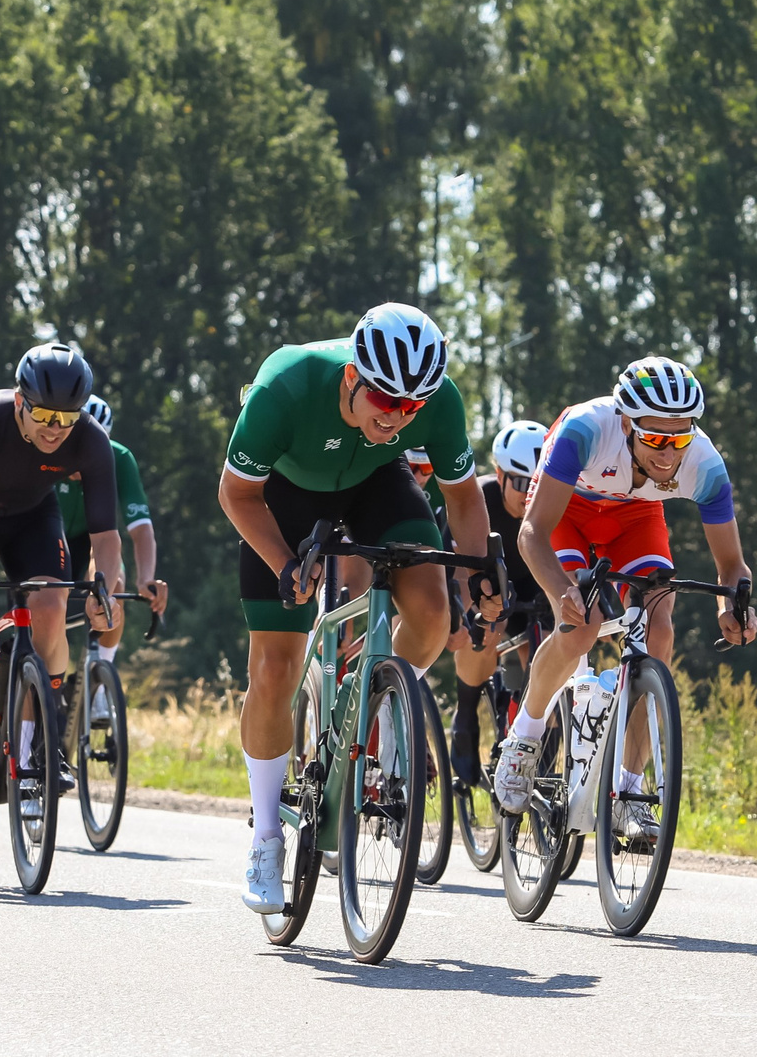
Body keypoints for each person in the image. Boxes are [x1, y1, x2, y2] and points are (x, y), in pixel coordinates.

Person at [220, 304, 493, 911]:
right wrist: (284, 564)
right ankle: (267, 833)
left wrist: (477, 577)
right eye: (384, 401)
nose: (396, 416)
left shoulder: (435, 402)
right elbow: (236, 493)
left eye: (411, 408)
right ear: (351, 379)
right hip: (283, 496)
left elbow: (465, 500)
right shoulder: (285, 384)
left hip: (375, 481)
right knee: (274, 669)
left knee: (430, 609)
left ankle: (376, 710)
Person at [491, 359, 757, 825]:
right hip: (567, 512)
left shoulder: (705, 462)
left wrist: (732, 605)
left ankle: (629, 793)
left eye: (679, 439)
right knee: (581, 627)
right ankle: (524, 736)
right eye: (654, 437)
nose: (667, 453)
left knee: (659, 630)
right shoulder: (585, 430)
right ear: (626, 423)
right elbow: (531, 533)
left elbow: (731, 566)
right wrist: (561, 594)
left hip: (636, 517)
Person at [0, 344, 125, 815]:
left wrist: (106, 593)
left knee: (51, 608)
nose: (55, 429)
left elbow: (107, 539)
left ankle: (46, 739)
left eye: (67, 417)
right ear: (19, 401)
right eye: (43, 415)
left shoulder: (90, 440)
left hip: (32, 519)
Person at [442, 420, 551, 786]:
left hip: (535, 587)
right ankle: (466, 716)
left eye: (537, 485)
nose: (529, 494)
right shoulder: (480, 499)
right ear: (500, 475)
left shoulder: (556, 503)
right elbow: (455, 569)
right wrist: (469, 612)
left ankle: (541, 741)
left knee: (551, 656)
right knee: (485, 630)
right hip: (485, 582)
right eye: (521, 483)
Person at [59, 396, 170, 667]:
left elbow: (141, 528)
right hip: (51, 539)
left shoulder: (119, 458)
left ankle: (101, 672)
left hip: (93, 541)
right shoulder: (50, 453)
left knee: (113, 583)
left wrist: (145, 579)